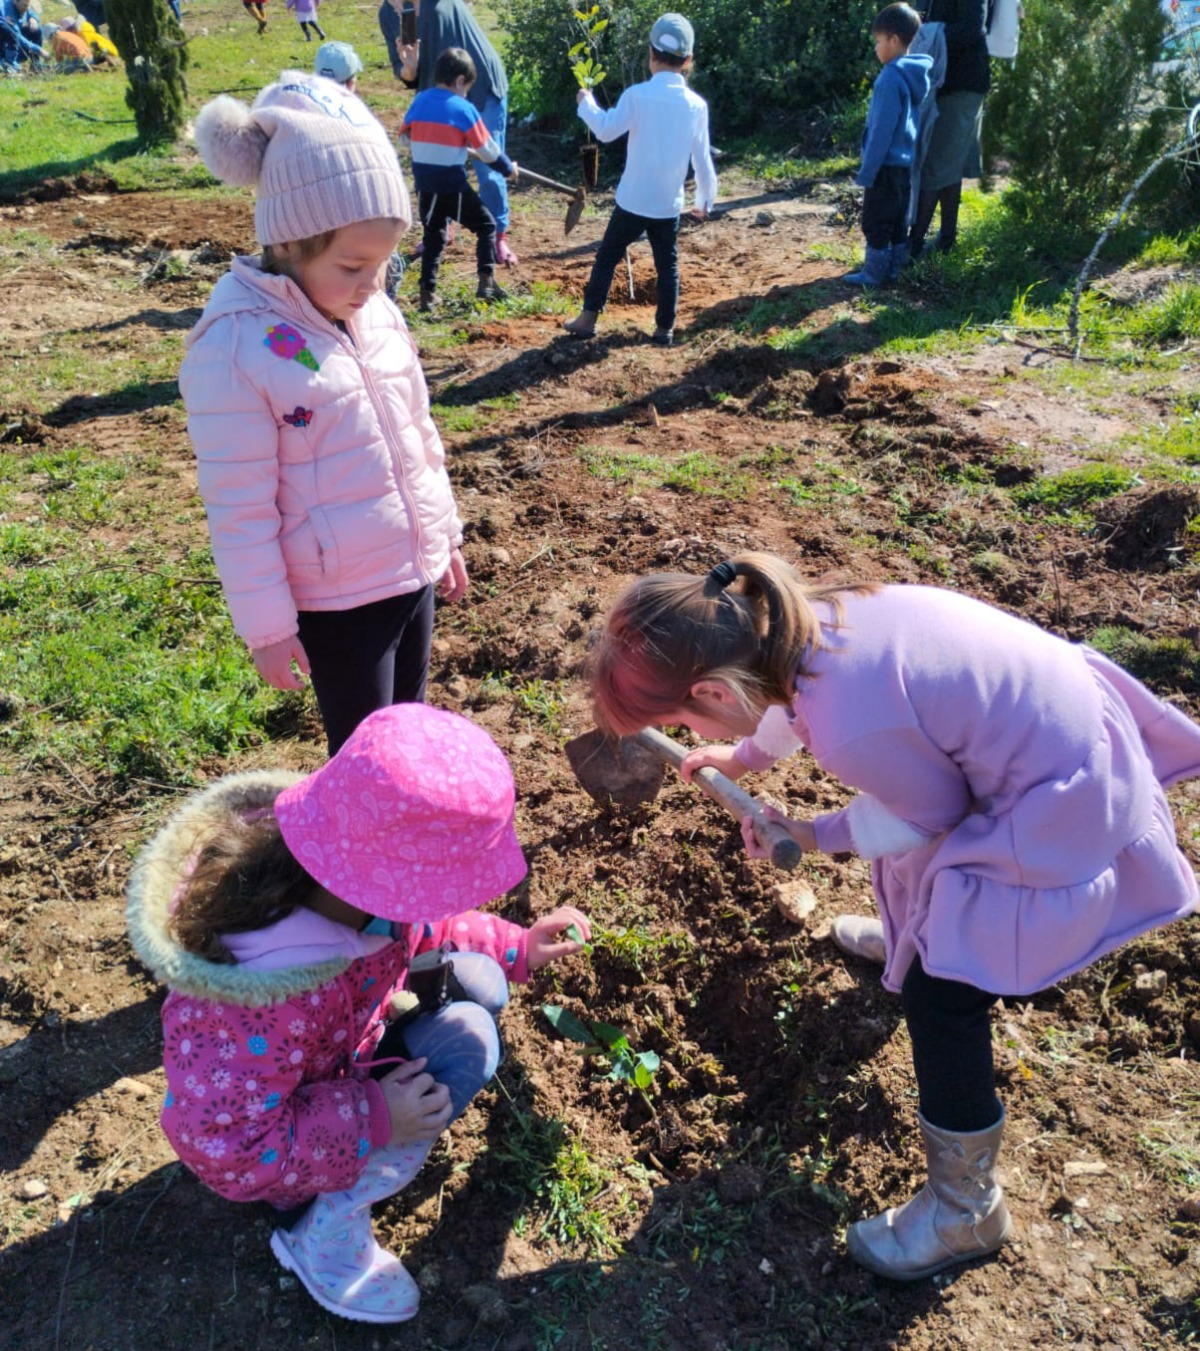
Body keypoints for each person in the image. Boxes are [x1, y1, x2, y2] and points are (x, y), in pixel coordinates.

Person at [585, 550, 1200, 1282]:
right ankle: (915, 935)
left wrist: (815, 833)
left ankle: (964, 1208)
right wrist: (744, 755)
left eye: (685, 715)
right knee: (911, 861)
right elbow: (787, 708)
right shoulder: (801, 623)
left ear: (713, 689)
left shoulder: (850, 722)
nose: (689, 726)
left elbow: (929, 812)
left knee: (943, 996)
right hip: (1043, 738)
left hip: (1057, 805)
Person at [127, 702, 592, 1324]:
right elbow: (228, 1146)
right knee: (470, 1035)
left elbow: (432, 924)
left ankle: (364, 1141)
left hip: (333, 1061)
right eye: (438, 886)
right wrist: (374, 1117)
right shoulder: (255, 1001)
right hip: (282, 1151)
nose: (435, 905)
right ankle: (320, 1228)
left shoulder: (341, 875)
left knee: (479, 980)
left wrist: (518, 946)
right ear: (381, 885)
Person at [179, 71, 469, 755]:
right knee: (365, 753)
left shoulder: (374, 313)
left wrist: (444, 534)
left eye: (385, 265)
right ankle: (357, 856)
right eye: (352, 266)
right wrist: (269, 626)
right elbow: (239, 505)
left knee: (410, 726)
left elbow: (418, 433)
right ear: (290, 242)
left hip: (409, 573)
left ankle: (407, 839)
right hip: (339, 604)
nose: (372, 286)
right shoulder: (239, 346)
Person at [562, 13, 718, 348]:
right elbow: (702, 159)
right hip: (667, 204)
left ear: (650, 54)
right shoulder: (696, 106)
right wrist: (705, 201)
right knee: (667, 266)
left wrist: (586, 103)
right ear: (688, 61)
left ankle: (588, 319)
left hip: (632, 200)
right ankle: (665, 329)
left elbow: (604, 130)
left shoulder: (636, 96)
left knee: (608, 255)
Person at [394, 0, 519, 266]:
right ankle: (441, 229)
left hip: (478, 83)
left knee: (488, 171)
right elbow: (408, 75)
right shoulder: (390, 14)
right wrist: (411, 66)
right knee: (437, 166)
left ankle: (498, 235)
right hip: (438, 94)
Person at [399, 45, 518, 312]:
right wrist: (508, 168)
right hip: (451, 185)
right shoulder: (463, 108)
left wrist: (445, 144)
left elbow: (406, 140)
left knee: (434, 237)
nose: (466, 94)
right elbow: (488, 150)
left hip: (425, 186)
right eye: (467, 88)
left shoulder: (419, 101)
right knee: (487, 225)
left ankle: (427, 295)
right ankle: (486, 283)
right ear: (461, 81)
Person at [843, 4, 932, 288]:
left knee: (875, 222)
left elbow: (883, 129)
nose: (876, 49)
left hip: (884, 165)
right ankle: (892, 273)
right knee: (896, 223)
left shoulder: (890, 78)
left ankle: (872, 275)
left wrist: (868, 171)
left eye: (878, 42)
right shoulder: (912, 75)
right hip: (903, 165)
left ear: (894, 40)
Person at [908, 0, 990, 257]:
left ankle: (912, 248)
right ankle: (946, 240)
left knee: (936, 165)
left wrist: (924, 34)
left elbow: (972, 29)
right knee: (947, 166)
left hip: (962, 84)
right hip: (938, 83)